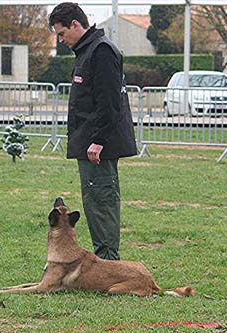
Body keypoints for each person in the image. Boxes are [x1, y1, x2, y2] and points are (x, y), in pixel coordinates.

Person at [49, 2, 137, 260]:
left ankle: (108, 263)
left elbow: (110, 102)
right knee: (94, 200)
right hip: (89, 143)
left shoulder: (101, 51)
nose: (61, 39)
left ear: (75, 24)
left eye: (62, 33)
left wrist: (98, 140)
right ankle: (105, 261)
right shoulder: (88, 51)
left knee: (101, 201)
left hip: (98, 146)